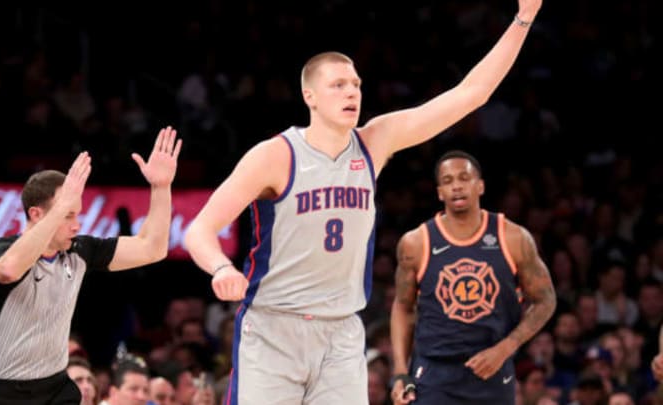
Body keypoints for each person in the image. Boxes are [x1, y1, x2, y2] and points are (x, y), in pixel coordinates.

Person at [184, 0, 543, 402]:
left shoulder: (373, 142)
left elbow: (471, 95)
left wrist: (523, 17)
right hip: (274, 329)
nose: (352, 91)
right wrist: (220, 268)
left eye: (356, 84)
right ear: (310, 96)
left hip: (341, 332)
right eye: (338, 85)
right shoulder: (275, 155)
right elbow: (198, 229)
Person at [0, 126, 182, 405]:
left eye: (76, 213)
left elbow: (152, 248)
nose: (77, 224)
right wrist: (59, 208)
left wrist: (161, 187)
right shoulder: (5, 251)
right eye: (68, 215)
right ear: (36, 214)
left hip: (55, 388)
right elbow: (8, 271)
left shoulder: (80, 250)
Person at [389, 151, 556, 405]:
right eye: (447, 181)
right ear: (439, 193)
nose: (456, 186)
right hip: (434, 373)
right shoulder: (416, 243)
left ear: (480, 186)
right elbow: (403, 307)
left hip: (493, 367)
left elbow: (546, 300)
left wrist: (506, 348)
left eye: (464, 178)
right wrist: (400, 371)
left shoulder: (513, 238)